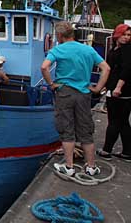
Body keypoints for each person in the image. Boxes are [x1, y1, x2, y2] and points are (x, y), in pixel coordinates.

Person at [41, 21, 110, 177]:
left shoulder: (58, 49)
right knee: (86, 130)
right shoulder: (88, 49)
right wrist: (98, 88)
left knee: (67, 129)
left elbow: (44, 67)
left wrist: (51, 84)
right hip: (84, 94)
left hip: (65, 92)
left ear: (59, 35)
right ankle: (91, 167)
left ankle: (69, 166)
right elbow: (106, 68)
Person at [97, 23, 131, 161]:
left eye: (129, 35)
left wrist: (118, 87)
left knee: (114, 120)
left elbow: (127, 70)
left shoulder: (127, 50)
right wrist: (106, 85)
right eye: (124, 34)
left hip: (122, 90)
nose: (126, 38)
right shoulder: (116, 49)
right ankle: (128, 152)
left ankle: (106, 150)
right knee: (123, 122)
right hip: (116, 88)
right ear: (117, 34)